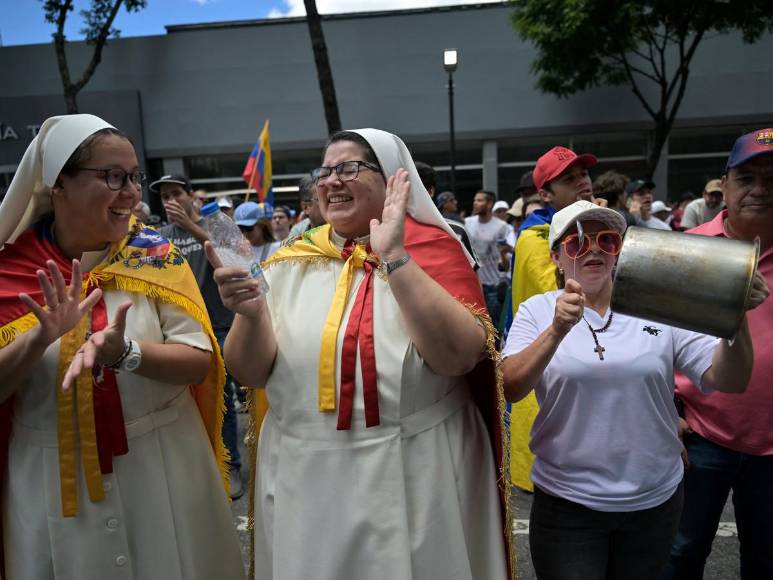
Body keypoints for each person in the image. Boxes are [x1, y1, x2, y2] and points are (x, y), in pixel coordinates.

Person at [210, 128, 512, 580]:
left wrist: (394, 256)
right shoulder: (290, 260)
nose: (330, 181)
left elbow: (459, 359)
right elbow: (249, 372)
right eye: (325, 171)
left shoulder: (435, 252)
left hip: (414, 469)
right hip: (304, 476)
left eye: (349, 167)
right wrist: (250, 316)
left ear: (394, 179)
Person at [0, 114, 243, 579]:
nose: (132, 193)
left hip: (162, 463)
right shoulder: (12, 274)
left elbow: (199, 362)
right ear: (59, 185)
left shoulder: (156, 257)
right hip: (51, 476)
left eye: (134, 177)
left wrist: (125, 352)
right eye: (113, 176)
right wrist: (39, 337)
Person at [502, 200, 768, 580]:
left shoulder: (657, 306)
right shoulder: (537, 310)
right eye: (576, 242)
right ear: (556, 257)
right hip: (568, 502)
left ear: (620, 251)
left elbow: (729, 379)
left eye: (607, 240)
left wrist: (735, 318)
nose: (593, 248)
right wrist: (557, 330)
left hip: (653, 501)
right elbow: (511, 386)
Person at [663, 128, 773, 580]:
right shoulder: (686, 251)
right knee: (680, 555)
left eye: (772, 178)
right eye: (747, 177)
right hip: (700, 434)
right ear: (723, 185)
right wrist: (666, 410)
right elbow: (652, 339)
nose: (761, 189)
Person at [507, 144, 603, 492]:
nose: (583, 183)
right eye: (569, 179)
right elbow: (580, 290)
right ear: (546, 194)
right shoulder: (535, 238)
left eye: (584, 174)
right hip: (551, 378)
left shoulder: (596, 225)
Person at [148, 174, 244, 499]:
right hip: (180, 328)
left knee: (224, 398)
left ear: (192, 196)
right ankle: (196, 467)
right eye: (164, 197)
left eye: (176, 193)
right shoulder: (160, 237)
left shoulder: (215, 223)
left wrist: (192, 228)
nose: (170, 201)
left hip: (218, 324)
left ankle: (230, 464)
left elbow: (237, 258)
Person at [466, 190, 511, 324]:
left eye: (479, 200)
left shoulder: (501, 226)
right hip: (473, 282)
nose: (475, 203)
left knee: (493, 324)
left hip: (493, 284)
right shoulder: (467, 222)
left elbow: (502, 254)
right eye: (475, 200)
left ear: (489, 203)